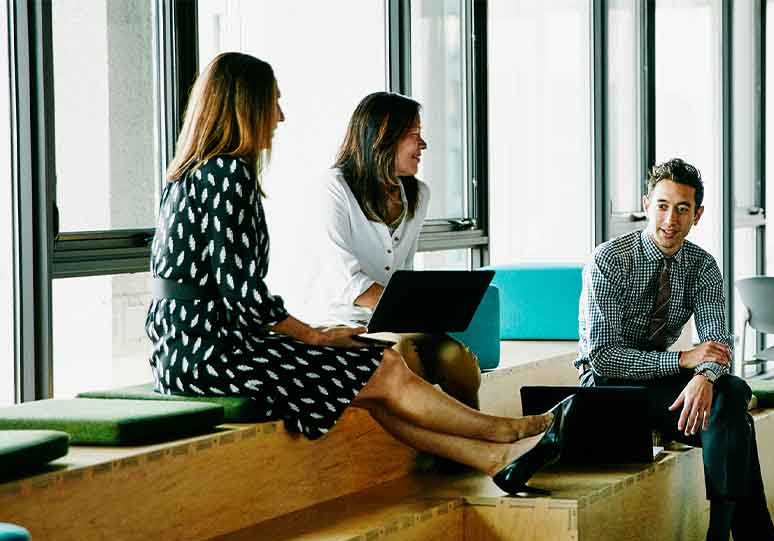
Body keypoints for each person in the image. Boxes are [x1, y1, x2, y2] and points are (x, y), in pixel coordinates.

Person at [144, 52, 571, 495]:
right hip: (212, 354)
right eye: (273, 102)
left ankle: (495, 459)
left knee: (375, 381)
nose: (281, 116)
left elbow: (228, 292)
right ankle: (504, 432)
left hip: (187, 347)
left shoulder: (194, 172)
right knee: (382, 366)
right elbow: (245, 296)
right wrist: (314, 336)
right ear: (245, 105)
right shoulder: (228, 174)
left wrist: (309, 334)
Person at [575, 158, 774, 541]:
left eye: (683, 209)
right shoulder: (609, 260)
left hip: (659, 387)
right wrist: (684, 361)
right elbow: (603, 358)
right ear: (646, 204)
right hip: (608, 391)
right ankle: (741, 539)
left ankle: (718, 540)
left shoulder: (702, 266)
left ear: (697, 215)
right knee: (736, 416)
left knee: (730, 393)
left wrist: (704, 376)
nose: (671, 218)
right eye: (663, 205)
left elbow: (719, 342)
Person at [300, 91, 480, 409]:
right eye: (414, 136)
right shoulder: (334, 189)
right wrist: (416, 312)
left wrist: (424, 311)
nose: (422, 145)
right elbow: (347, 282)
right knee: (405, 353)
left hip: (397, 322)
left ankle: (466, 450)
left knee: (458, 360)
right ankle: (427, 453)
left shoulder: (418, 196)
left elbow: (403, 272)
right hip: (342, 325)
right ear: (382, 138)